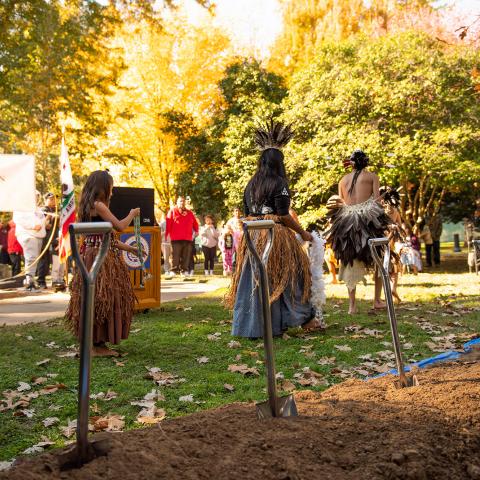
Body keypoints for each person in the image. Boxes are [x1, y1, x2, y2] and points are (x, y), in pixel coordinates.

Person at [226, 120, 319, 338]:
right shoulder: (279, 183)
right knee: (293, 276)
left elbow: (247, 212)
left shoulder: (250, 184)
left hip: (252, 238)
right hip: (273, 236)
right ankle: (301, 320)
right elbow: (284, 214)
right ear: (279, 163)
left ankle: (254, 327)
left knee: (254, 279)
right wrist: (303, 233)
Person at [66, 170, 140, 357]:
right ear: (103, 187)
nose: (112, 192)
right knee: (105, 298)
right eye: (111, 187)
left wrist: (129, 249)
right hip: (101, 259)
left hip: (90, 255)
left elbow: (105, 237)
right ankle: (96, 347)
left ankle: (94, 344)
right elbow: (120, 227)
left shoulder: (87, 206)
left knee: (95, 299)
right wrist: (132, 214)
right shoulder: (99, 206)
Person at [326, 150, 390, 314]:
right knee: (378, 257)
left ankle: (352, 306)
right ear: (365, 162)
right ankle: (376, 300)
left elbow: (341, 203)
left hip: (347, 222)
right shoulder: (372, 176)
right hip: (367, 220)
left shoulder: (342, 180)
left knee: (349, 261)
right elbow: (376, 200)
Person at [13, 192, 46, 291]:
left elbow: (42, 220)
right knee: (31, 257)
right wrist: (32, 226)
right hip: (27, 235)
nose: (36, 199)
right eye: (34, 197)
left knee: (35, 258)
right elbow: (18, 219)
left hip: (38, 235)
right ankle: (29, 280)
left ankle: (31, 279)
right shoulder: (21, 208)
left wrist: (43, 224)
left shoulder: (38, 209)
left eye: (37, 197)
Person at [165, 197, 199, 278]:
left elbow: (195, 223)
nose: (182, 203)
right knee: (175, 256)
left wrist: (196, 230)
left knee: (186, 256)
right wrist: (167, 235)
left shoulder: (189, 212)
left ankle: (184, 271)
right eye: (180, 201)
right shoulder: (172, 211)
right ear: (177, 202)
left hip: (187, 238)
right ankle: (173, 270)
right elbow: (168, 223)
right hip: (175, 238)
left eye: (183, 201)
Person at [37, 192, 56, 288]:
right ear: (46, 200)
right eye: (51, 199)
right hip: (44, 239)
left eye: (54, 199)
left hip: (52, 238)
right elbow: (47, 225)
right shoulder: (43, 210)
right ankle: (40, 281)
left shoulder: (54, 210)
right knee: (43, 260)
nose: (53, 201)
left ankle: (45, 280)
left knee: (48, 261)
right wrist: (50, 217)